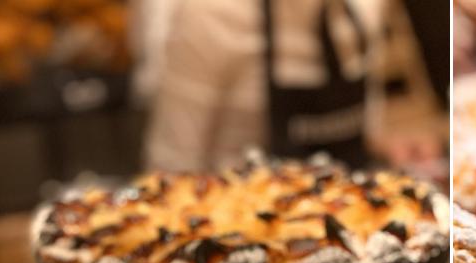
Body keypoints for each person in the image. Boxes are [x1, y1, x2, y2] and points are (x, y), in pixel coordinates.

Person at [141, 0, 447, 174]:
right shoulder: (209, 13)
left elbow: (364, 117)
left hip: (355, 222)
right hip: (241, 241)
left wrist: (391, 145)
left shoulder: (365, 6)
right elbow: (170, 171)